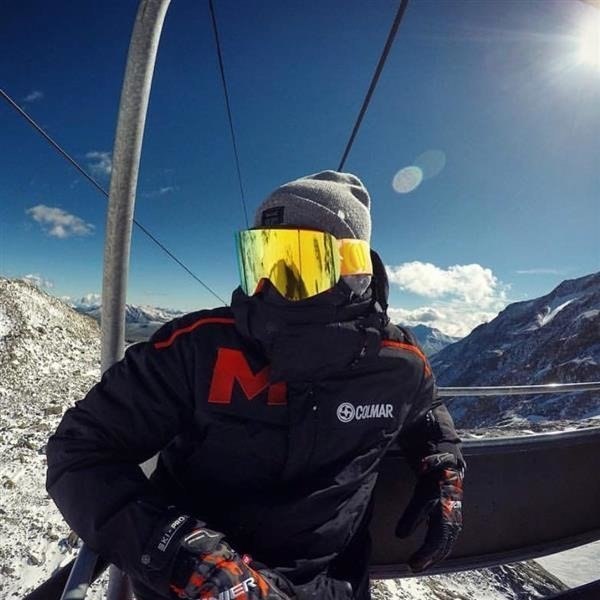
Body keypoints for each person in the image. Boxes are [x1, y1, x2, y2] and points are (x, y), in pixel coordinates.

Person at [46, 171, 464, 600]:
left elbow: (424, 410)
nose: (271, 286)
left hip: (332, 584)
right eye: (262, 261)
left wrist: (441, 465)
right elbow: (80, 448)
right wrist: (181, 554)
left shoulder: (398, 361)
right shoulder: (198, 348)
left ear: (352, 271)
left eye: (298, 263)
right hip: (200, 588)